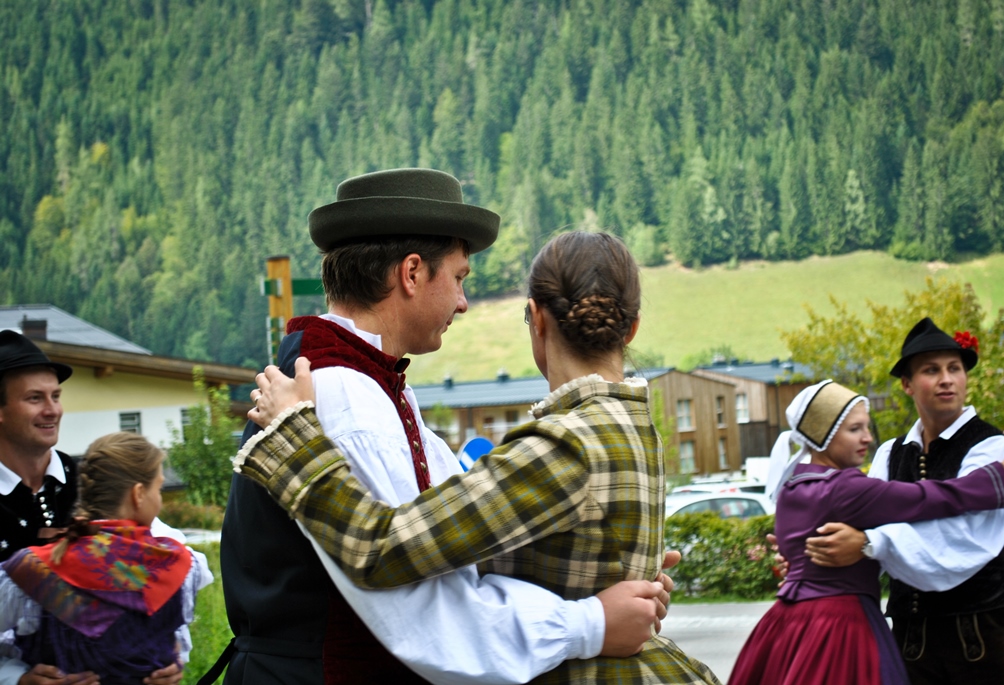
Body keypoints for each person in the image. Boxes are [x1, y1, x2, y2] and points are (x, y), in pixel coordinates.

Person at [213, 170, 678, 685]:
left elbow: (455, 542)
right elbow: (422, 607)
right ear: (412, 273)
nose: (463, 302)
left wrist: (601, 564)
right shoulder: (345, 394)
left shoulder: (376, 387)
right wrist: (588, 622)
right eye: (459, 278)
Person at [726, 379, 1004, 685]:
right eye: (855, 429)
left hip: (787, 624)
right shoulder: (847, 489)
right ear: (824, 435)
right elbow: (943, 496)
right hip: (839, 625)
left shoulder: (791, 487)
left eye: (866, 427)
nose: (867, 437)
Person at [801, 318, 1004, 683]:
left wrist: (869, 542)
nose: (946, 379)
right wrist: (808, 550)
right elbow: (859, 523)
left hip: (988, 636)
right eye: (931, 370)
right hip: (912, 638)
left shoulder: (995, 448)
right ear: (907, 384)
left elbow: (963, 536)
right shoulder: (891, 453)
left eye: (954, 368)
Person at [0, 331, 188, 685]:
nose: (52, 409)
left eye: (56, 396)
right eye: (34, 398)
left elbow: (160, 559)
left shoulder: (89, 479)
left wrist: (172, 654)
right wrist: (15, 679)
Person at [0, 432, 213, 683]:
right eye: (159, 488)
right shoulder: (180, 566)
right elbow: (173, 638)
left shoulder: (32, 571)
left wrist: (17, 677)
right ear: (138, 494)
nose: (160, 500)